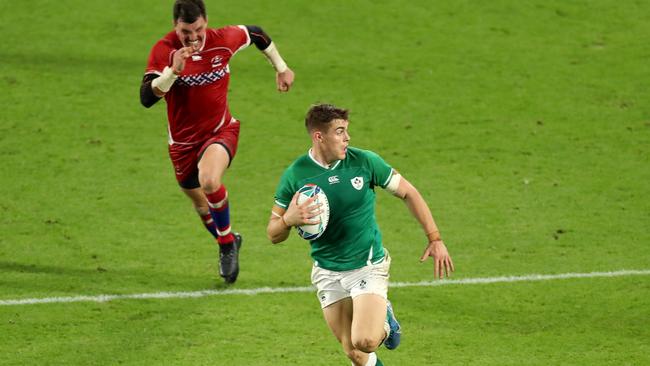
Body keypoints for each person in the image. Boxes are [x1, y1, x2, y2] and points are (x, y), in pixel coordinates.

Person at [266, 104, 454, 366]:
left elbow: (409, 192)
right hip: (327, 271)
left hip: (367, 266)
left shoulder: (364, 162)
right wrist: (288, 219)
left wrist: (435, 238)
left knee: (364, 341)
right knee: (355, 353)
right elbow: (273, 233)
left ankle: (385, 322)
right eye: (340, 132)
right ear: (319, 136)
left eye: (347, 131)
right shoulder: (296, 174)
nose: (347, 138)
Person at [140, 0, 294, 284]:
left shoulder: (223, 40)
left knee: (209, 180)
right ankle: (229, 240)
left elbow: (257, 34)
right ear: (176, 26)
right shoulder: (164, 50)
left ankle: (225, 247)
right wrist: (172, 72)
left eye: (198, 29)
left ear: (206, 22)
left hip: (220, 132)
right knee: (202, 206)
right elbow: (146, 98)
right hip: (183, 145)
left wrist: (281, 68)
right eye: (186, 32)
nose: (194, 37)